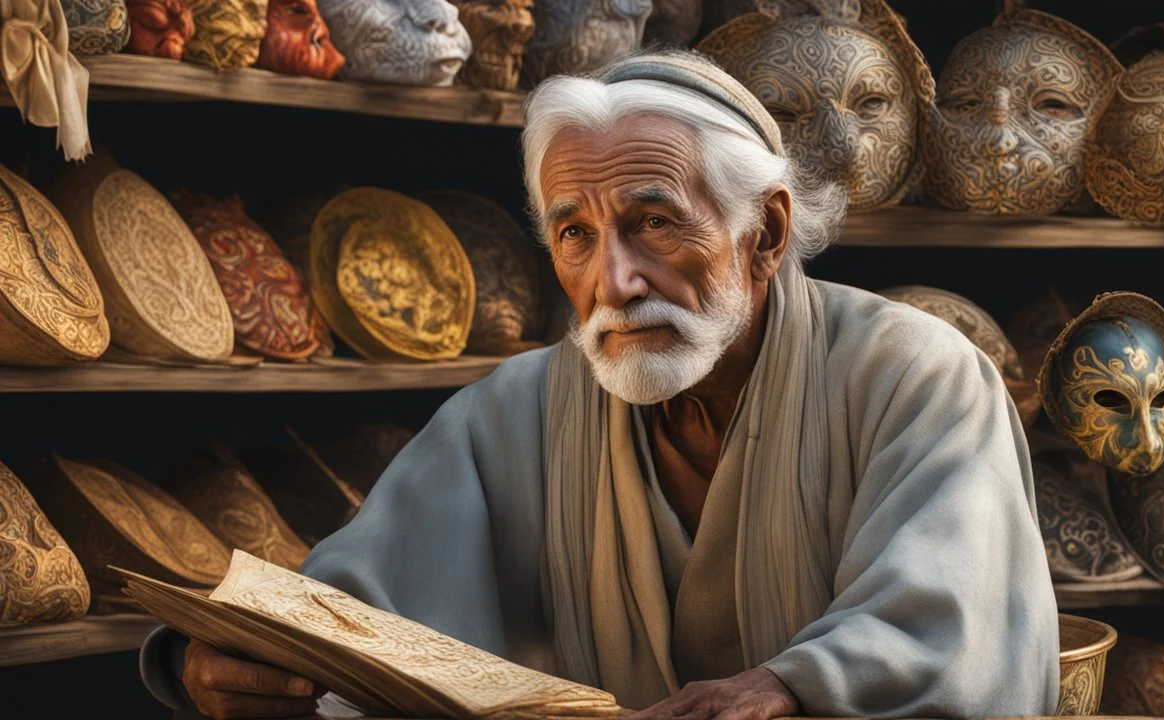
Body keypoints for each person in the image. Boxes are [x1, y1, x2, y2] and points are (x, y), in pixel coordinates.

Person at [141, 49, 1059, 720]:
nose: (614, 283)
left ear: (766, 236)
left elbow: (957, 637)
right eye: (575, 234)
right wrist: (216, 659)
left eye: (654, 223)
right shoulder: (518, 412)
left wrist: (789, 687)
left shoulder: (917, 379)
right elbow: (350, 614)